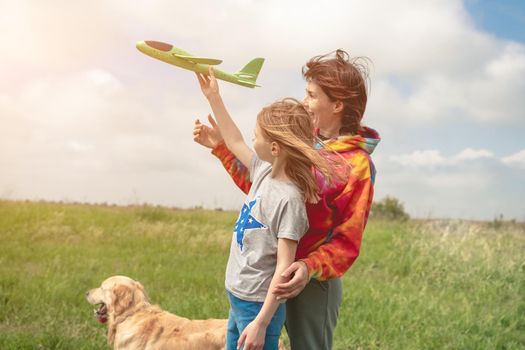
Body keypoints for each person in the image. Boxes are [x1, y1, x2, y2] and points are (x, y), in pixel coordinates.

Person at [193, 50, 381, 350]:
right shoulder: (302, 139)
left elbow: (347, 242)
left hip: (312, 282)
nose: (304, 102)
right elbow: (265, 191)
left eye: (311, 95)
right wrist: (222, 149)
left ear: (337, 104)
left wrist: (307, 267)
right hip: (272, 273)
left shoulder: (357, 166)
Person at [195, 67, 332, 350]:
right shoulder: (262, 172)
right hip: (239, 297)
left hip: (257, 307)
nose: (250, 140)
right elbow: (233, 140)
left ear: (274, 148)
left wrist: (260, 323)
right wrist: (214, 98)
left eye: (256, 135)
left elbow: (283, 267)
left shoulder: (289, 200)